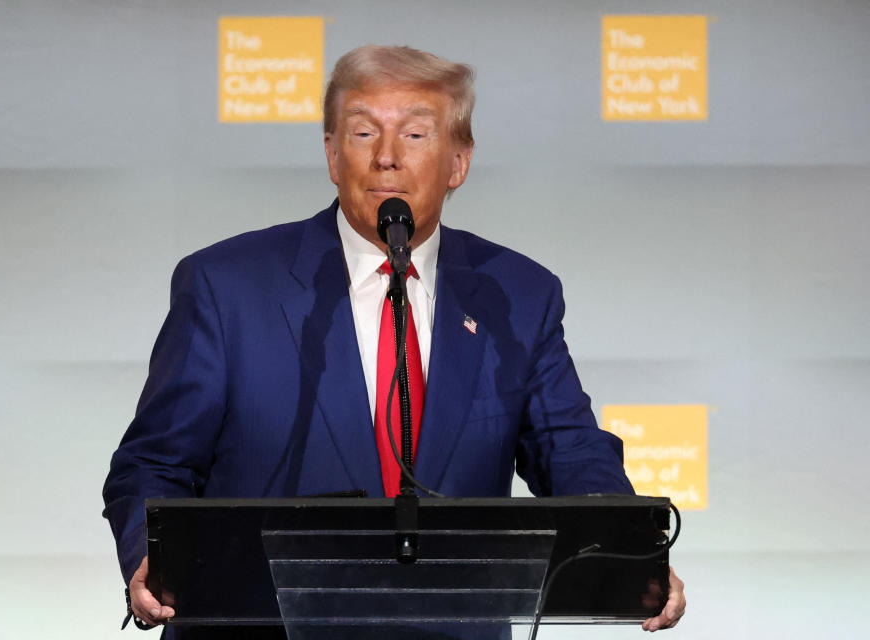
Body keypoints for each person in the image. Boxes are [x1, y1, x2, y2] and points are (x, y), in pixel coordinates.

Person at [103, 45, 686, 636]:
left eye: (413, 135)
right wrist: (149, 556)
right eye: (363, 133)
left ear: (458, 161)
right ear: (333, 155)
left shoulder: (518, 296)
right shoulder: (227, 287)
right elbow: (153, 461)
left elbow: (570, 450)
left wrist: (630, 547)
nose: (386, 158)